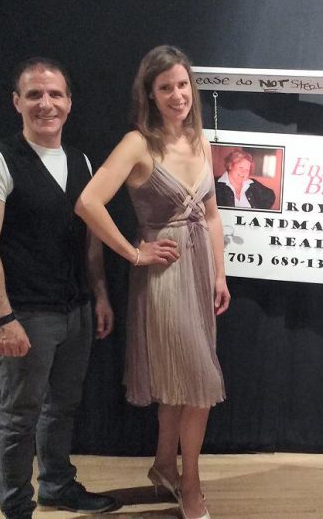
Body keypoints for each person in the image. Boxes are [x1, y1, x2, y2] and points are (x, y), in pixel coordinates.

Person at [75, 45, 230, 519]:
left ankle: (164, 465)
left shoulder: (203, 141)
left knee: (179, 383)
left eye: (183, 85)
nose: (177, 94)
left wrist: (220, 273)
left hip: (200, 275)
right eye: (166, 87)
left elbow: (211, 214)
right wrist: (134, 253)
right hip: (162, 277)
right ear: (150, 93)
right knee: (198, 383)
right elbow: (88, 203)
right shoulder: (138, 144)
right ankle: (192, 485)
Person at [0, 58, 116, 518]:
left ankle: (56, 486)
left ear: (69, 103)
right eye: (34, 95)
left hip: (75, 309)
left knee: (62, 408)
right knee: (18, 418)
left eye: (55, 95)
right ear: (17, 102)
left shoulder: (82, 160)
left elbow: (88, 241)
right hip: (25, 313)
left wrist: (101, 295)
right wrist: (2, 318)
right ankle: (16, 508)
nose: (45, 104)